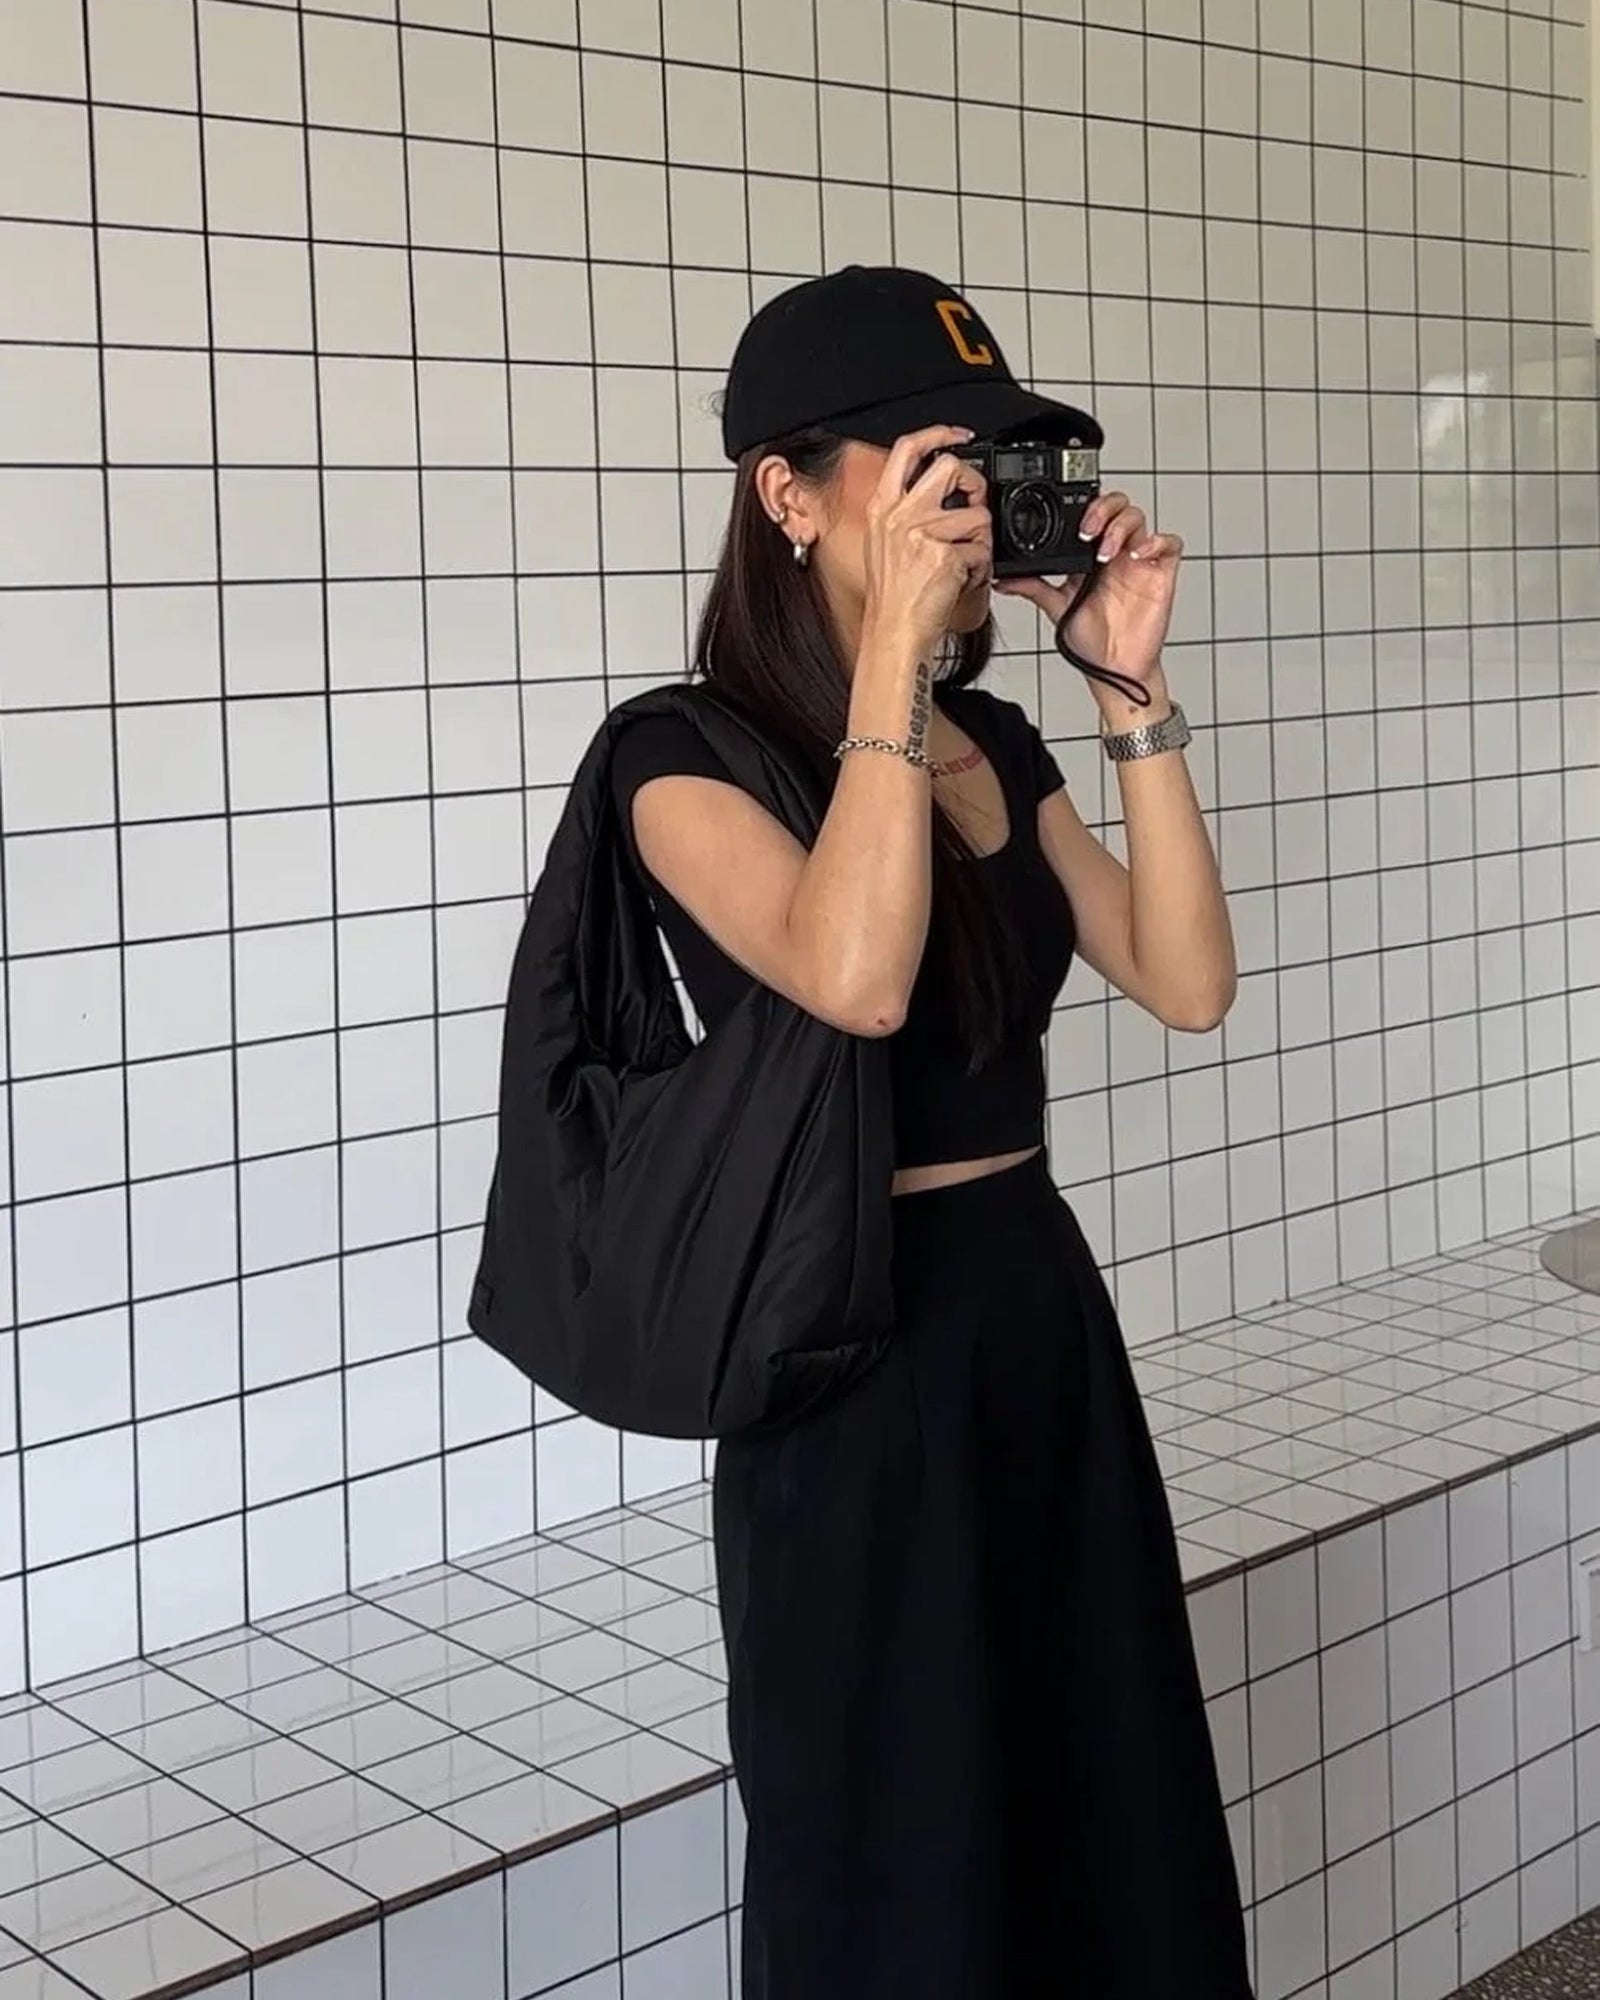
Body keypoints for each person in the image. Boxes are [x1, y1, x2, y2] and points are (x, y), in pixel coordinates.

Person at [609, 267, 1251, 1998]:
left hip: (1031, 1311)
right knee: (891, 1831)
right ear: (788, 493)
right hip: (847, 1355)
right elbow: (857, 976)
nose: (963, 513)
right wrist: (892, 653)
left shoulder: (990, 739)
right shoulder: (679, 759)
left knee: (1098, 1786)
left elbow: (1187, 979)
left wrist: (1126, 687)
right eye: (925, 471)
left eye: (980, 473)